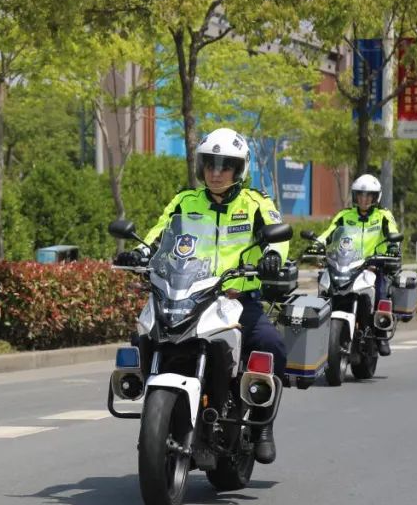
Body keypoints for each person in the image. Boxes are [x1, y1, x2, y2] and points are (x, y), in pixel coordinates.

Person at [115, 127, 290, 465]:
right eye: (210, 164)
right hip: (186, 293)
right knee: (143, 332)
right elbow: (158, 234)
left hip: (235, 297)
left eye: (225, 166)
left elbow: (277, 237)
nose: (216, 172)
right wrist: (140, 253)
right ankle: (144, 389)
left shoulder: (255, 203)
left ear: (239, 170)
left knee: (271, 343)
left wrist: (273, 257)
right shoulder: (185, 201)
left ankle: (260, 425)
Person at [313, 173, 401, 356]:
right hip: (347, 263)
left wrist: (393, 247)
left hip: (373, 265)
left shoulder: (383, 216)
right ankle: (322, 329)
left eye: (368, 195)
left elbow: (393, 233)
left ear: (376, 197)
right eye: (360, 195)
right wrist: (317, 244)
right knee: (326, 289)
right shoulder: (345, 215)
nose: (363, 199)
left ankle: (381, 332)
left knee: (381, 291)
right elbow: (329, 233)